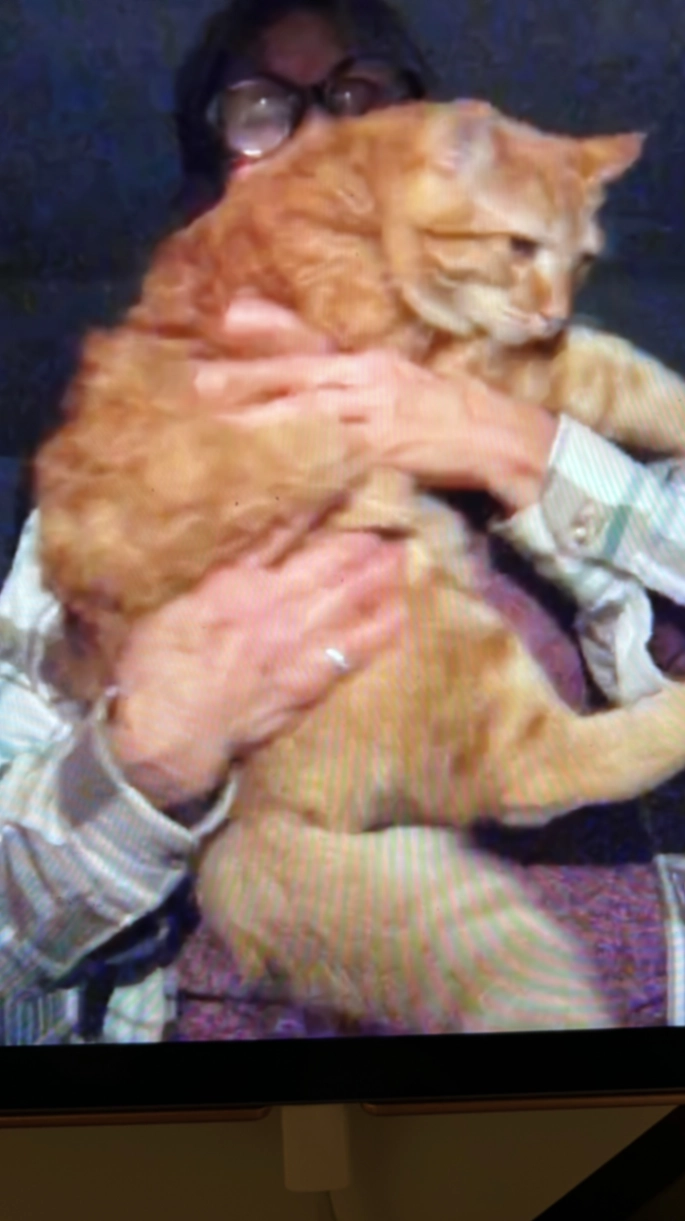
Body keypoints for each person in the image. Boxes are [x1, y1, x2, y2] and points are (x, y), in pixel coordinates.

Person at [1, 0, 683, 1044]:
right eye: (262, 109)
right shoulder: (104, 482)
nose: (324, 138)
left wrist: (517, 446)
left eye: (364, 98)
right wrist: (143, 760)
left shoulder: (571, 396)